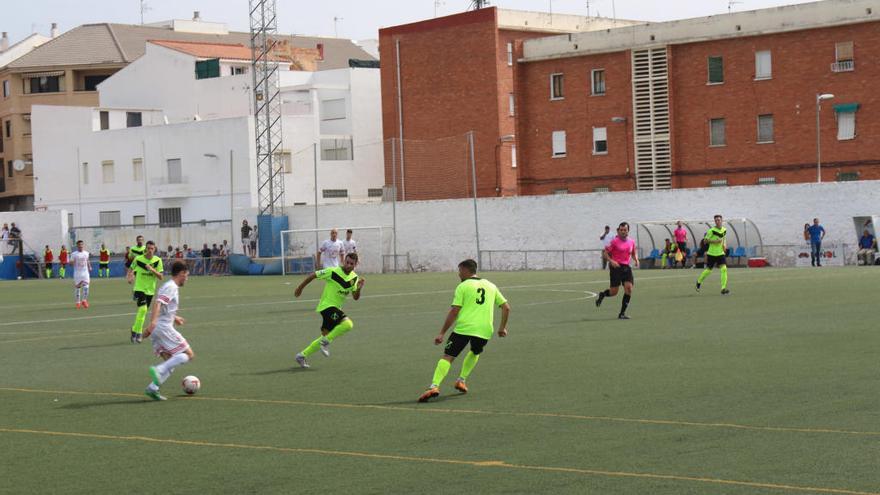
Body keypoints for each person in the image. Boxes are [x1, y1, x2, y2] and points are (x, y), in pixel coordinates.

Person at [418, 259, 510, 402]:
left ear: (466, 270)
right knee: (475, 351)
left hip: (464, 328)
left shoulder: (463, 286)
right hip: (484, 330)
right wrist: (502, 327)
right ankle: (461, 380)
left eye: (460, 270)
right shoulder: (491, 285)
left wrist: (442, 332)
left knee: (448, 357)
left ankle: (434, 386)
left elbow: (455, 310)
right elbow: (506, 307)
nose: (458, 274)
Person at [293, 252, 365, 369]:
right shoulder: (333, 271)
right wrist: (300, 288)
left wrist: (359, 289)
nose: (348, 265)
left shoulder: (355, 278)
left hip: (335, 310)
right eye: (347, 262)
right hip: (326, 306)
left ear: (355, 265)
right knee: (348, 324)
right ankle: (326, 342)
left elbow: (355, 297)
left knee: (324, 336)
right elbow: (313, 275)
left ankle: (302, 355)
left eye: (351, 263)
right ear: (344, 261)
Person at [143, 261, 193, 401]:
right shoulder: (171, 286)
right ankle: (159, 369)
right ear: (182, 273)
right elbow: (158, 303)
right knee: (188, 354)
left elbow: (165, 306)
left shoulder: (169, 286)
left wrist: (174, 317)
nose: (187, 279)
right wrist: (152, 322)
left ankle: (153, 388)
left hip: (160, 328)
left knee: (171, 361)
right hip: (163, 328)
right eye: (186, 275)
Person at [595, 222, 639, 319]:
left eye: (625, 230)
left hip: (626, 268)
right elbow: (605, 254)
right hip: (616, 267)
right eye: (621, 230)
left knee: (629, 289)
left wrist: (636, 259)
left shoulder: (631, 241)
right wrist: (611, 261)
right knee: (614, 292)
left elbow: (633, 253)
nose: (623, 232)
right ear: (619, 230)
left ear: (628, 231)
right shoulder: (614, 241)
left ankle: (622, 314)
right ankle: (603, 294)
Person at [129, 241, 164, 343]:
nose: (149, 250)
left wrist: (152, 269)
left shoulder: (158, 261)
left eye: (152, 248)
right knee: (143, 309)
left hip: (150, 290)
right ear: (145, 249)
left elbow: (161, 277)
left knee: (142, 312)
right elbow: (131, 268)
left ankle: (134, 329)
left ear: (154, 249)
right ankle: (139, 332)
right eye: (148, 248)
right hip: (139, 288)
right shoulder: (138, 259)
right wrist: (130, 276)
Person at [696, 214, 730, 295]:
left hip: (720, 253)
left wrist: (724, 246)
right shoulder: (711, 231)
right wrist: (715, 241)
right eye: (716, 220)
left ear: (722, 220)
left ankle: (723, 288)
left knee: (724, 269)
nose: (717, 221)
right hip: (711, 254)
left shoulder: (724, 230)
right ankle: (698, 282)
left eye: (719, 220)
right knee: (708, 270)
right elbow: (705, 241)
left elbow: (724, 238)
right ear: (715, 221)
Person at [71, 240, 92, 309]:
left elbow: (87, 260)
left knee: (86, 287)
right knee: (78, 287)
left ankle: (84, 300)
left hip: (85, 272)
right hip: (78, 273)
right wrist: (71, 262)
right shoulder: (74, 254)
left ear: (83, 245)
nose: (80, 246)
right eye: (79, 245)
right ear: (77, 246)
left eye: (81, 245)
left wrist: (89, 266)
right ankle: (78, 302)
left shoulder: (86, 253)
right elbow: (71, 263)